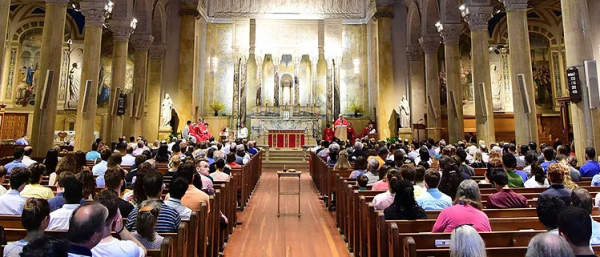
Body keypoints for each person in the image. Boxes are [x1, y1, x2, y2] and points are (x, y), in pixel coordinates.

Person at [91, 190, 146, 257]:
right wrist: (121, 230)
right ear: (117, 215)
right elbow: (143, 251)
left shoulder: (82, 247)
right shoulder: (129, 249)